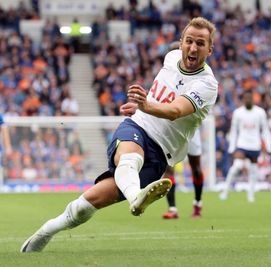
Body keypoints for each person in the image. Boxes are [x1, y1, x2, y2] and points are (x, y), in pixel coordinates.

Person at [21, 17, 218, 253]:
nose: (193, 48)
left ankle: (46, 230)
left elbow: (176, 110)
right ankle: (136, 196)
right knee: (130, 157)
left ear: (210, 49)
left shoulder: (207, 84)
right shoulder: (171, 57)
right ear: (181, 42)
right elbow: (160, 97)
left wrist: (146, 105)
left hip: (160, 154)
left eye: (200, 43)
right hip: (137, 126)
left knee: (87, 205)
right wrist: (141, 109)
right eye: (188, 41)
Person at [121, 100, 205, 219]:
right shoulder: (170, 84)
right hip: (171, 131)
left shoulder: (193, 88)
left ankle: (197, 203)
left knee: (196, 169)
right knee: (169, 168)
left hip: (190, 131)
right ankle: (172, 209)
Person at [219, 90, 271, 202]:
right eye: (246, 98)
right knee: (237, 166)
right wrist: (232, 147)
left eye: (250, 98)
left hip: (255, 145)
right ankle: (225, 191)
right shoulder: (238, 113)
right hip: (242, 144)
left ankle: (251, 195)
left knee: (253, 170)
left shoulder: (260, 112)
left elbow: (265, 130)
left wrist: (268, 146)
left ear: (253, 100)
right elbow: (234, 130)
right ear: (243, 100)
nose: (248, 100)